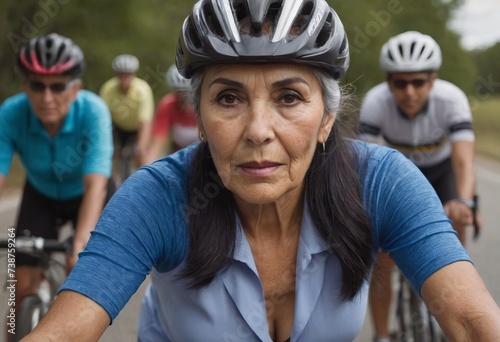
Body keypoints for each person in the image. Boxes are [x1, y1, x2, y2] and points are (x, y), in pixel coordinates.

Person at [24, 2, 500, 341]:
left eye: (289, 97)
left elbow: (474, 323)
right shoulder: (158, 196)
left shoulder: (381, 182)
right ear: (201, 120)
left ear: (327, 119)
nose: (257, 131)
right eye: (228, 98)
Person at [357, 31, 481, 342]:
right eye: (400, 83)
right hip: (398, 176)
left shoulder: (452, 99)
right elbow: (364, 169)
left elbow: (464, 162)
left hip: (442, 173)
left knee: (454, 227)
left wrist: (465, 202)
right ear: (388, 82)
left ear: (433, 79)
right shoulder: (375, 102)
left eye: (418, 82)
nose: (409, 91)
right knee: (381, 251)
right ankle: (382, 334)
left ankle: (452, 292)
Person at [0, 33, 114, 341]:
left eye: (58, 86)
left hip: (89, 196)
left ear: (76, 87)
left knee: (84, 280)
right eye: (37, 85)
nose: (46, 97)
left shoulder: (94, 111)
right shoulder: (11, 113)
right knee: (18, 286)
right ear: (25, 86)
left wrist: (81, 240)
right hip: (40, 195)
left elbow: (96, 183)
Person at [99, 54, 155, 172]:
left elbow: (145, 122)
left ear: (134, 74)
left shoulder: (143, 90)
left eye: (128, 74)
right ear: (117, 75)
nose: (125, 78)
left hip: (137, 128)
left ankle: (145, 182)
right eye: (121, 74)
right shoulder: (108, 88)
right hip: (117, 127)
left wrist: (141, 146)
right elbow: (102, 118)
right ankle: (113, 184)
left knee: (141, 154)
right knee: (108, 154)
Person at [142, 64, 198, 165]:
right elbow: (157, 142)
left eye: (187, 92)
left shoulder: (203, 105)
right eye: (178, 91)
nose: (183, 97)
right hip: (177, 148)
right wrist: (145, 169)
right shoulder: (168, 104)